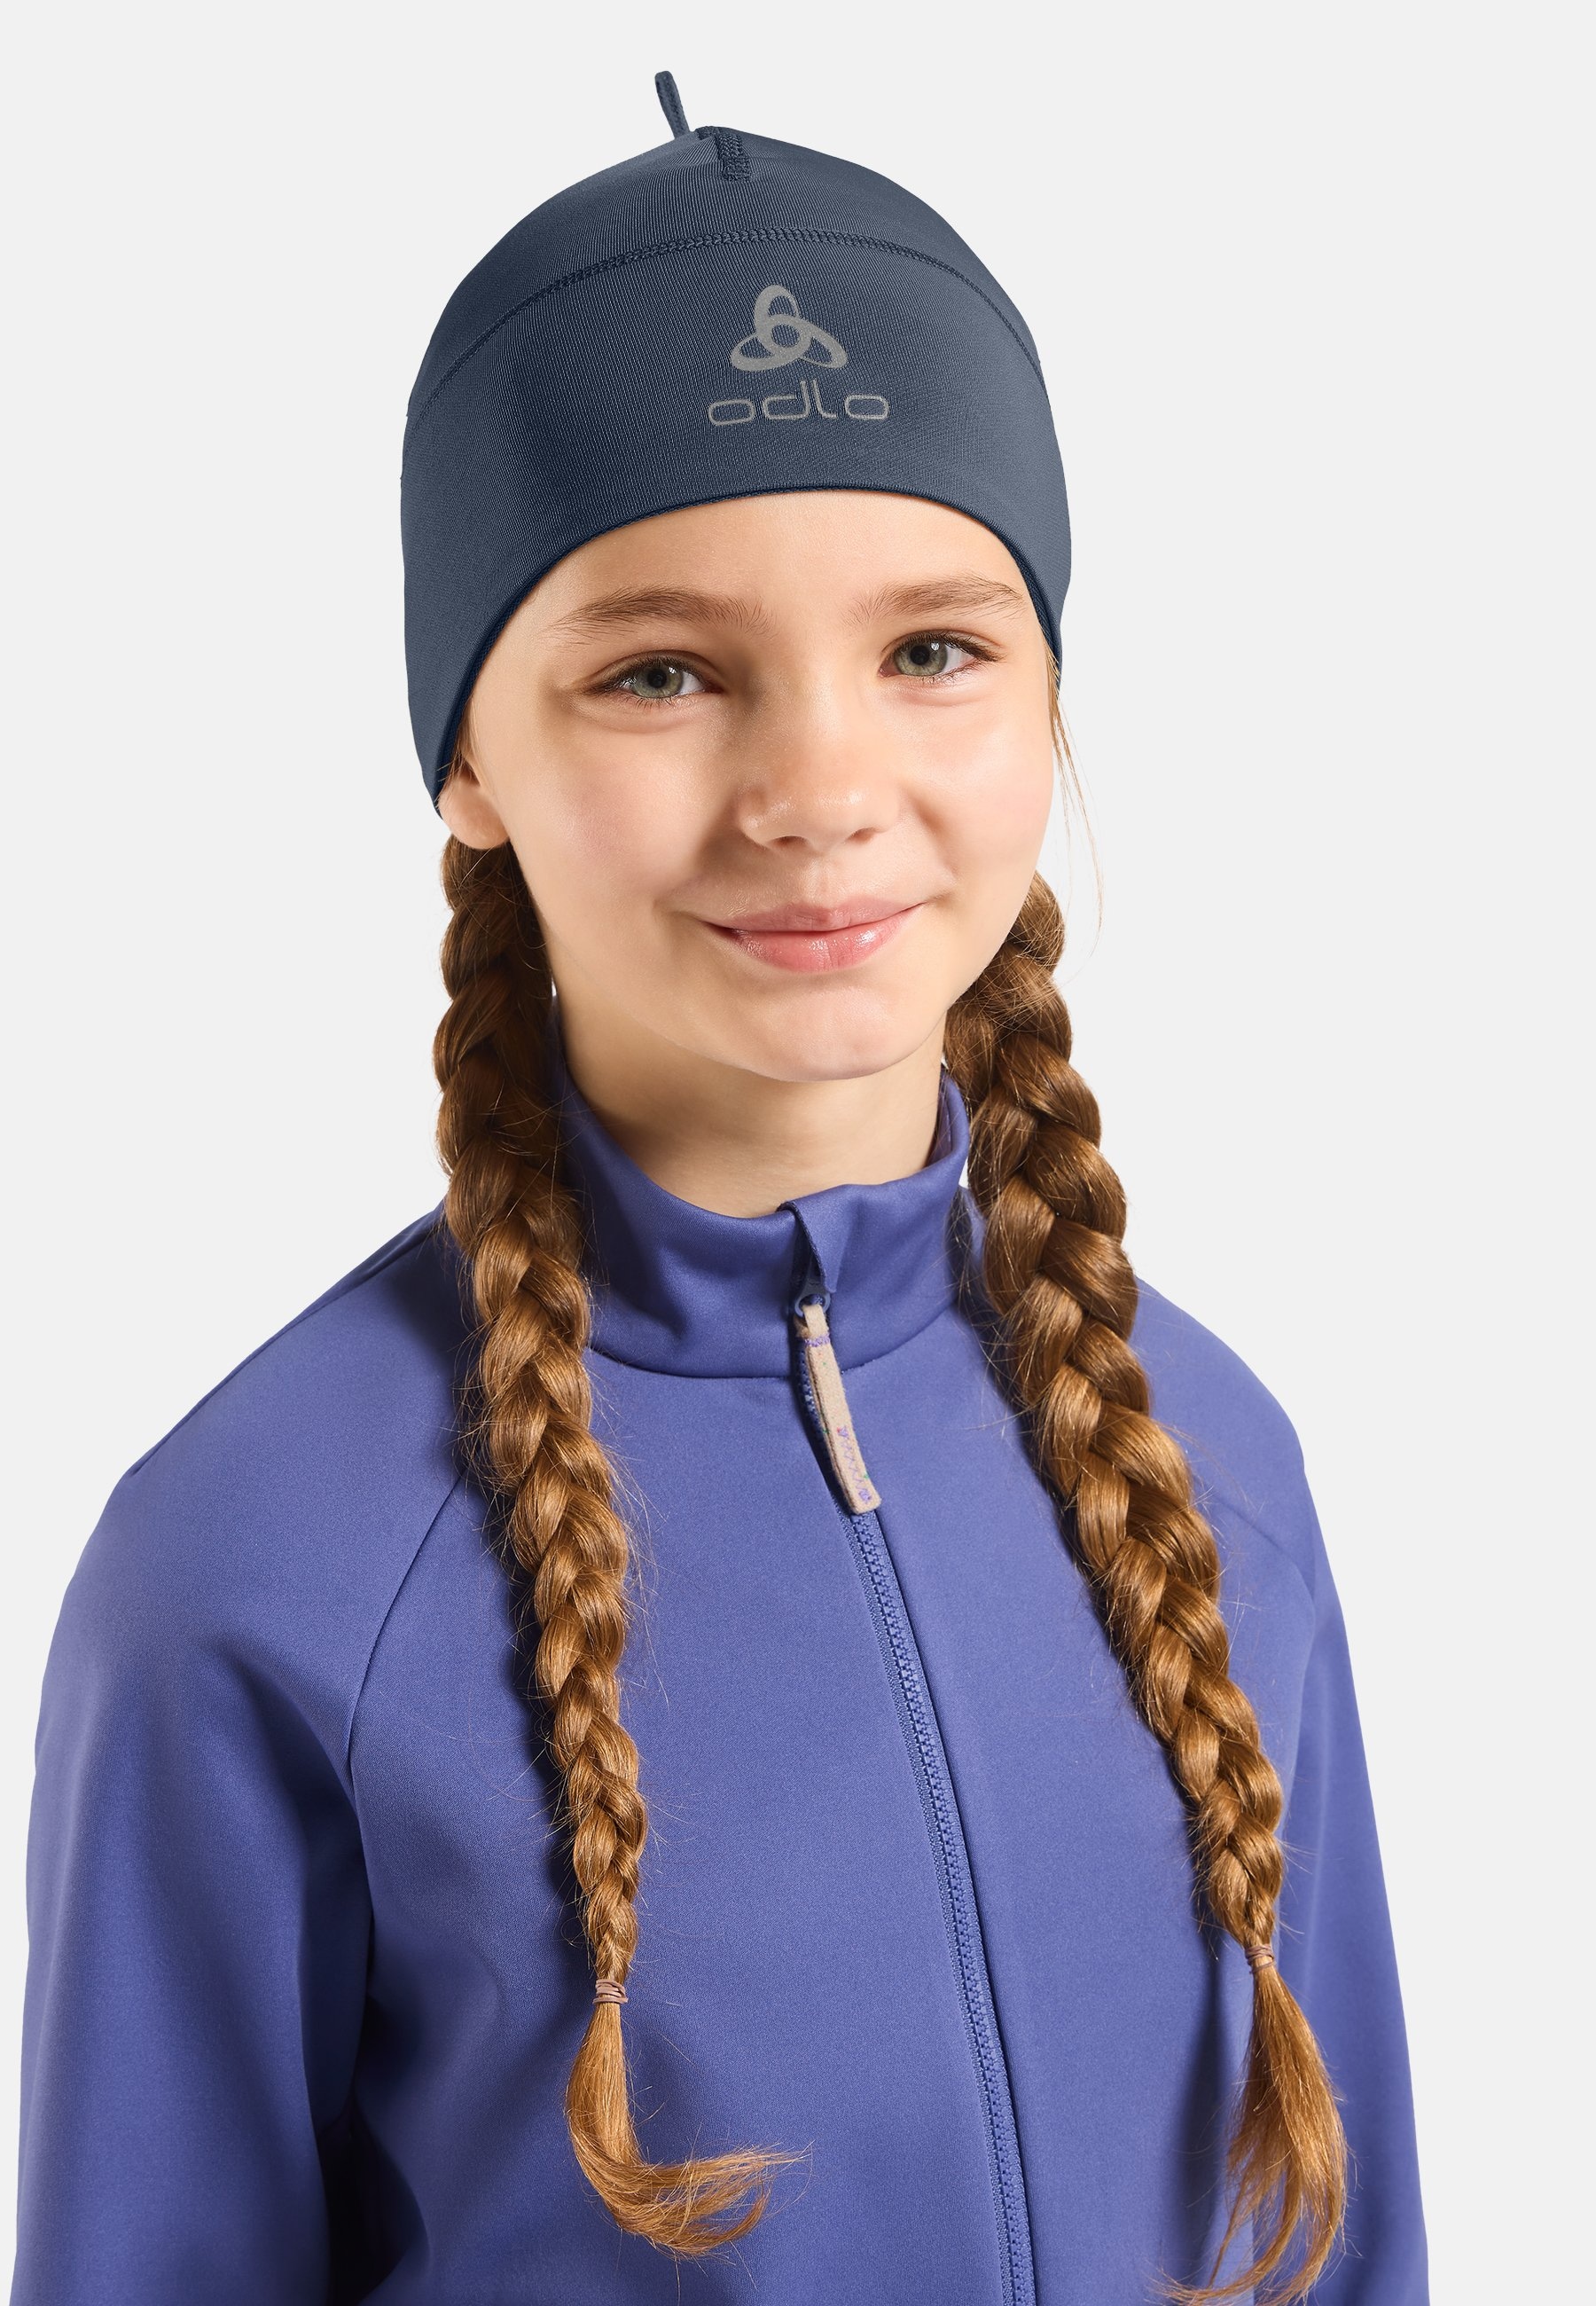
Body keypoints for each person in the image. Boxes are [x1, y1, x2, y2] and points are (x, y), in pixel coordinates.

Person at [9, 70, 1428, 2306]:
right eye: (663, 672)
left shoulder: (1208, 1464)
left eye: (933, 649)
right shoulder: (257, 1566)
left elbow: (1345, 2245)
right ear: (470, 756)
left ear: (1048, 695)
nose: (819, 787)